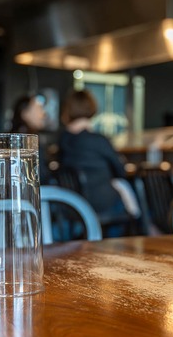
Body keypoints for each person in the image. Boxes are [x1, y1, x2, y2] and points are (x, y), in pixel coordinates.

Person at [57, 90, 129, 237]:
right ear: (91, 108)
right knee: (127, 194)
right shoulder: (99, 140)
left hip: (73, 203)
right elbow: (121, 171)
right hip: (100, 203)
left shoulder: (63, 140)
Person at [11, 95, 51, 183]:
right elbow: (39, 176)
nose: (43, 113)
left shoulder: (16, 136)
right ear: (24, 113)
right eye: (38, 109)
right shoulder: (26, 139)